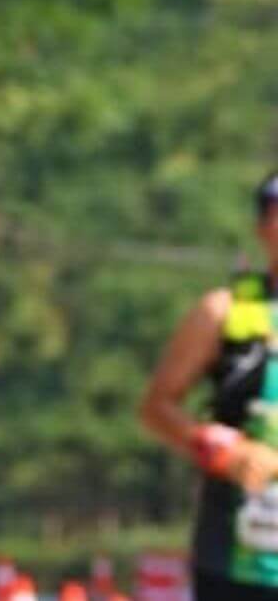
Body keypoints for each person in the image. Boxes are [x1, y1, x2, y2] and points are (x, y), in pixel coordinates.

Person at [140, 170, 278, 600]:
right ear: (262, 227)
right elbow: (158, 407)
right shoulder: (225, 312)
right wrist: (223, 449)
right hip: (239, 558)